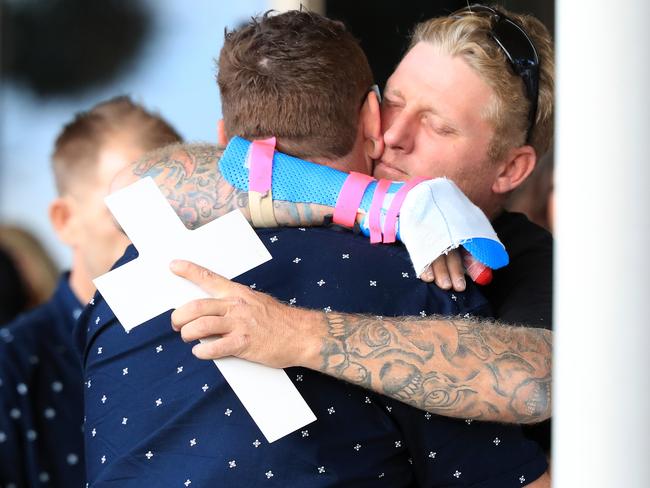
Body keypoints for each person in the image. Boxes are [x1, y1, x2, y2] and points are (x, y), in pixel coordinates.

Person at [78, 11, 549, 486]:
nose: (393, 138)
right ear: (369, 114)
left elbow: (560, 377)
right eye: (393, 103)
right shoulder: (388, 264)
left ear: (511, 169)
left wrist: (300, 334)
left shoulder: (540, 272)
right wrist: (374, 201)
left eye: (439, 127)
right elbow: (133, 188)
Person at [0, 96, 182, 487]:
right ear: (66, 220)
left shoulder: (221, 331)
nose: (153, 235)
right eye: (126, 217)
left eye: (175, 213)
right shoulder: (13, 367)